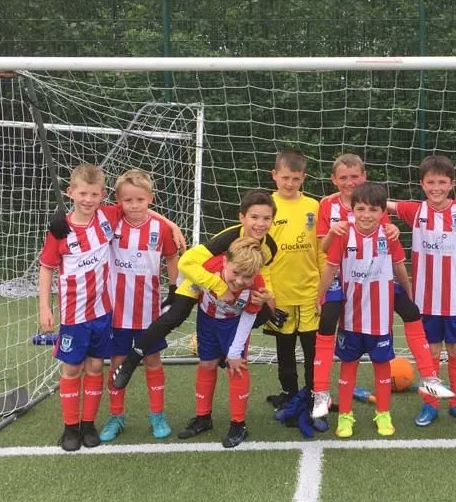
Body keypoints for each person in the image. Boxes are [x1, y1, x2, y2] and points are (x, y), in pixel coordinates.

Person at [311, 154, 453, 419]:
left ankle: (429, 378)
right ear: (334, 180)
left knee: (411, 311)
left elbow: (392, 250)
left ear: (364, 177)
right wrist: (334, 233)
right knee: (328, 319)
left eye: (355, 177)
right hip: (342, 276)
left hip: (377, 274)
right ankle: (320, 392)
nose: (350, 182)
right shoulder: (327, 206)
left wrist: (406, 286)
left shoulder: (374, 202)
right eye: (343, 178)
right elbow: (326, 250)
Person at [110, 190, 277, 389]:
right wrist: (217, 286)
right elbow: (187, 263)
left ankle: (225, 351)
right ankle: (131, 360)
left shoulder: (269, 248)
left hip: (232, 283)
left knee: (268, 311)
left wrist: (266, 294)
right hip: (199, 276)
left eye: (266, 218)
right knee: (176, 315)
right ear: (242, 217)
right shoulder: (228, 238)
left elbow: (262, 276)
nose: (260, 224)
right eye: (254, 217)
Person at [390, 155, 456, 426]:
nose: (436, 187)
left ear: (452, 184)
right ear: (422, 184)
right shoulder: (415, 212)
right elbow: (380, 205)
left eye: (442, 182)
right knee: (432, 353)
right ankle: (431, 404)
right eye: (430, 182)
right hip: (425, 301)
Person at [38, 164, 120, 452]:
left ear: (103, 195)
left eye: (94, 194)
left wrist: (170, 225)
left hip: (102, 312)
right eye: (83, 193)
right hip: (73, 315)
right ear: (70, 192)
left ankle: (88, 424)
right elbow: (47, 268)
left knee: (96, 366)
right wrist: (44, 307)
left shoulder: (108, 217)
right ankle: (70, 427)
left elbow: (140, 210)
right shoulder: (60, 230)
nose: (88, 199)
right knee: (72, 367)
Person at [315, 182, 407, 437]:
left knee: (382, 366)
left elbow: (399, 267)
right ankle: (345, 416)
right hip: (351, 315)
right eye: (361, 209)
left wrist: (408, 293)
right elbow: (331, 267)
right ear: (352, 210)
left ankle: (384, 413)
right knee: (348, 365)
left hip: (380, 317)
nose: (366, 214)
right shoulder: (344, 235)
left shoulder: (389, 235)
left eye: (373, 210)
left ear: (382, 212)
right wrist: (319, 296)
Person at [97, 169, 180, 443]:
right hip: (117, 312)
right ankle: (116, 415)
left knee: (153, 362)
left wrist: (174, 288)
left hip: (149, 312)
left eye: (140, 200)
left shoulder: (161, 229)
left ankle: (157, 415)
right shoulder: (112, 221)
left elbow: (171, 257)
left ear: (150, 199)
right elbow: (90, 206)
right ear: (119, 202)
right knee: (118, 363)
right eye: (128, 200)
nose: (134, 205)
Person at [177, 237, 267, 448]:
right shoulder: (211, 266)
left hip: (234, 324)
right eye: (236, 273)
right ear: (225, 262)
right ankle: (203, 417)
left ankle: (238, 424)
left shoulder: (257, 286)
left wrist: (234, 352)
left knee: (237, 367)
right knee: (206, 364)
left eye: (247, 277)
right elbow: (186, 274)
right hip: (207, 320)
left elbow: (249, 316)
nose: (239, 281)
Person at [264, 148, 321, 408]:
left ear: (303, 178)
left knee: (313, 349)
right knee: (284, 348)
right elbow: (258, 253)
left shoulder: (313, 206)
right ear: (274, 175)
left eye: (296, 179)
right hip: (280, 293)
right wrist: (267, 292)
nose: (290, 183)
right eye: (285, 177)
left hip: (309, 291)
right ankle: (289, 394)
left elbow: (321, 248)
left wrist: (322, 288)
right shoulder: (266, 207)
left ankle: (312, 394)